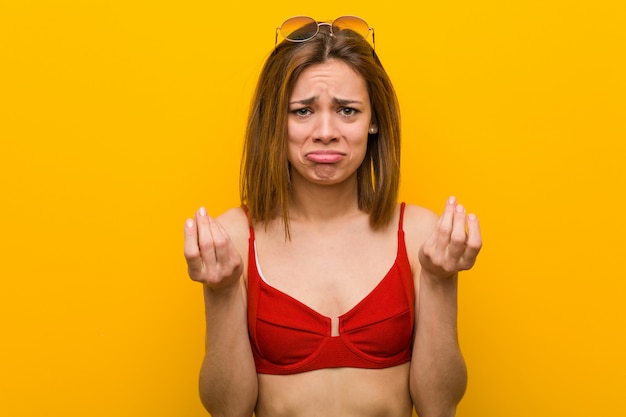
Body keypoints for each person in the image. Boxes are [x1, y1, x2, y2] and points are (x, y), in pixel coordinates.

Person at [183, 15, 482, 417]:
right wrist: (219, 293)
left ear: (373, 120)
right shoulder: (232, 239)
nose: (325, 131)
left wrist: (440, 281)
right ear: (276, 121)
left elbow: (439, 406)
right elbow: (227, 409)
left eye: (347, 110)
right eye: (303, 111)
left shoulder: (420, 235)